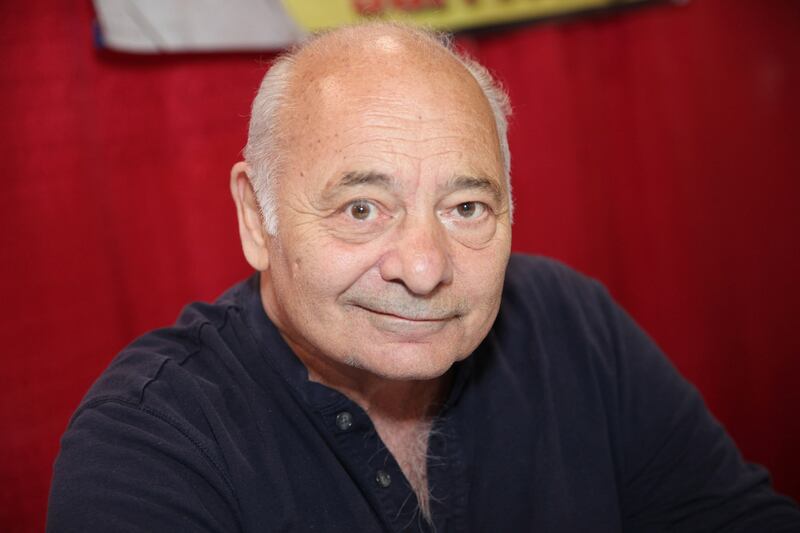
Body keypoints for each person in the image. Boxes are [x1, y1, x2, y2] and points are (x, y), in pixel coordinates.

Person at [47, 22, 800, 532]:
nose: (426, 265)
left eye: (467, 205)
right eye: (363, 207)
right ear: (256, 217)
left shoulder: (573, 324)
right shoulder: (152, 441)